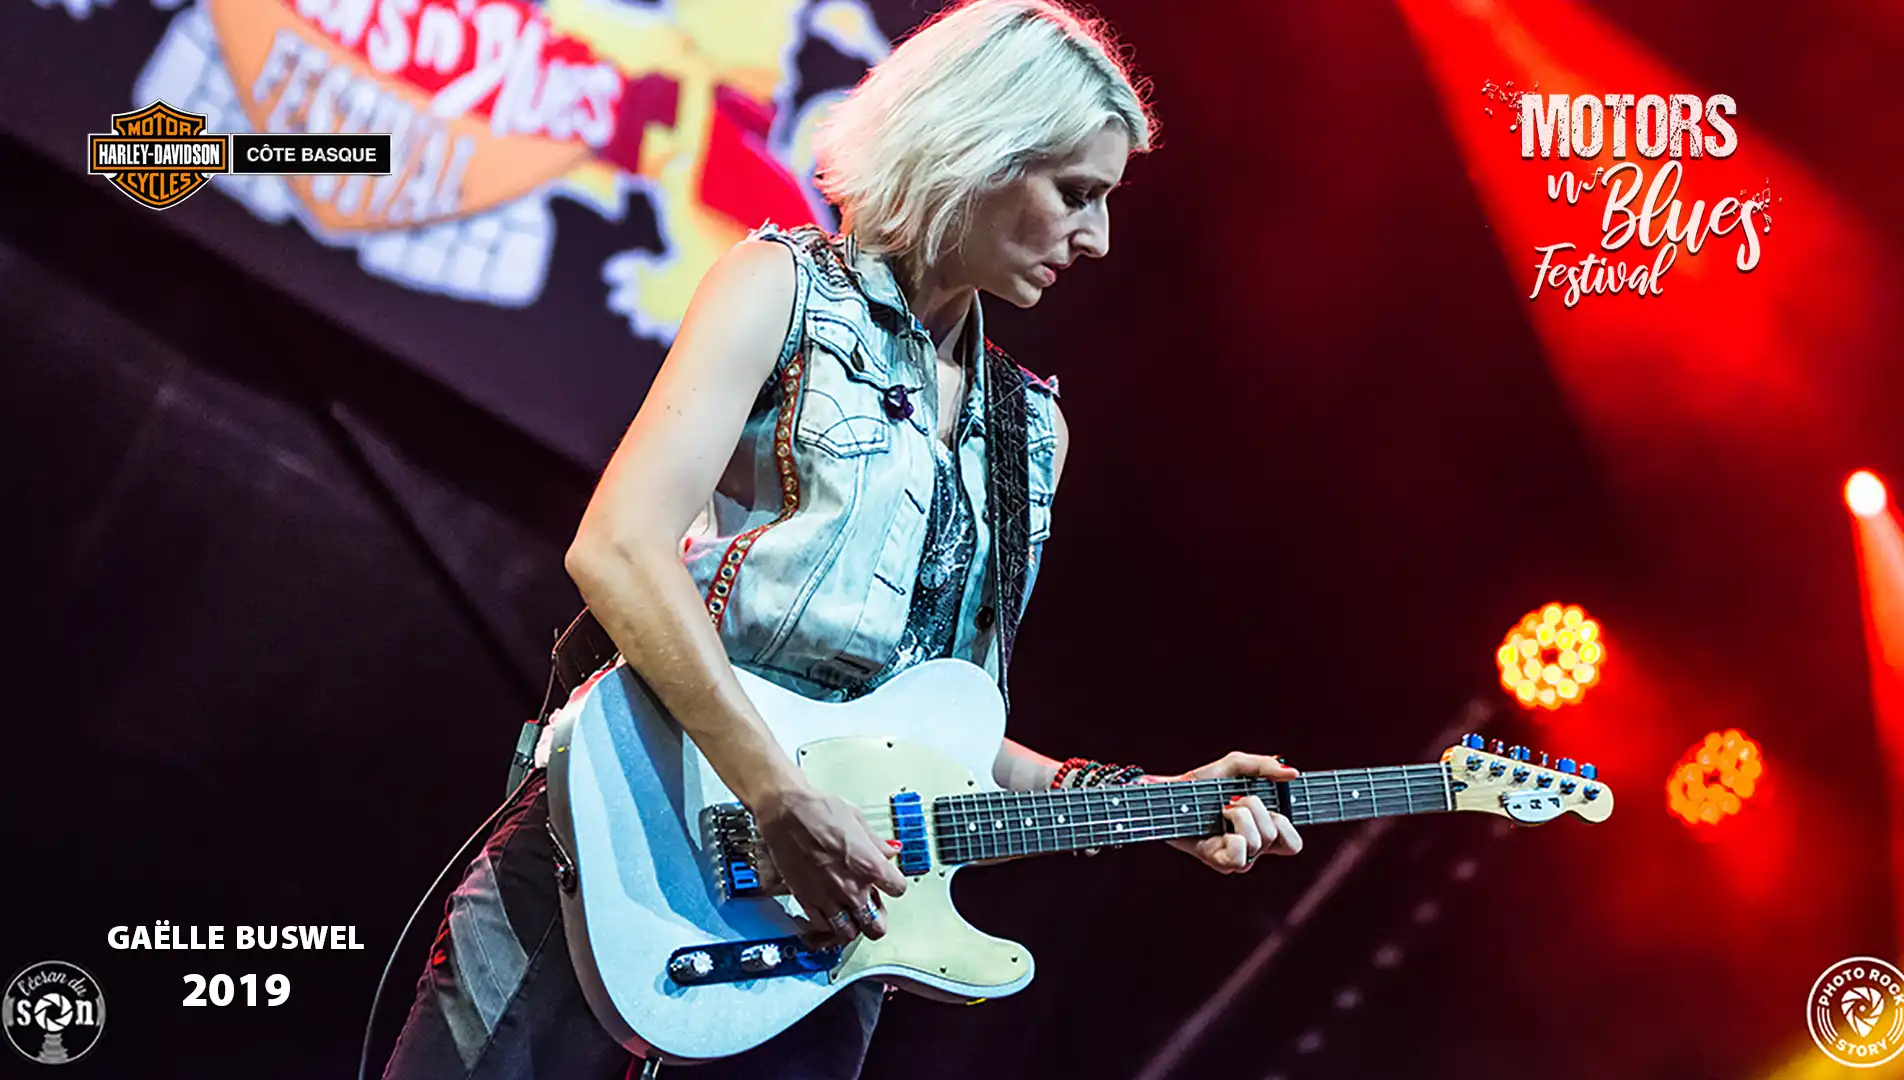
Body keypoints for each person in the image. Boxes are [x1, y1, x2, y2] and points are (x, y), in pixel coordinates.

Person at [382, 2, 1302, 1077]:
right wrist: (778, 796)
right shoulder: (778, 286)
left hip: (823, 935)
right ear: (978, 146)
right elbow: (618, 548)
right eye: (1075, 194)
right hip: (626, 833)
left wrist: (1153, 804)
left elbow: (933, 732)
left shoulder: (1029, 429)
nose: (1095, 238)